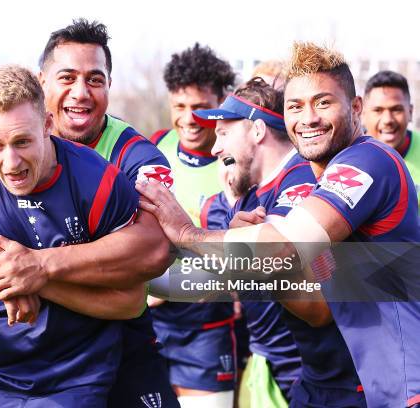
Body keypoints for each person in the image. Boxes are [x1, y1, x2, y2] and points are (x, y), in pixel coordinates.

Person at [0, 19, 179, 408]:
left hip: (118, 345)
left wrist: (38, 268)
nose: (81, 93)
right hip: (12, 363)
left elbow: (152, 251)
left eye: (95, 80)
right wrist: (4, 266)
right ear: (42, 83)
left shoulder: (133, 157)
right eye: (67, 77)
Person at [137, 42, 420, 407]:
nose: (309, 118)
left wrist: (191, 235)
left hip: (402, 387)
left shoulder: (366, 160)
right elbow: (302, 282)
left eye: (323, 102)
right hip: (335, 383)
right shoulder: (321, 179)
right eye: (295, 106)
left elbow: (285, 252)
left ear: (355, 108)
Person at [197, 78, 365, 407]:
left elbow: (280, 260)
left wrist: (192, 236)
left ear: (257, 131)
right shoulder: (250, 196)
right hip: (284, 366)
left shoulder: (301, 178)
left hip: (330, 375)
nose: (215, 148)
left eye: (224, 133)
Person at [148, 44, 237, 407]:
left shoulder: (237, 164)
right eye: (179, 107)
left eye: (200, 108)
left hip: (207, 327)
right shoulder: (152, 148)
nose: (187, 119)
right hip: (149, 323)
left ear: (221, 102)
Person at [362, 70, 420, 202]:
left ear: (410, 112)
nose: (388, 120)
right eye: (378, 110)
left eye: (396, 110)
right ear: (363, 114)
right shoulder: (345, 155)